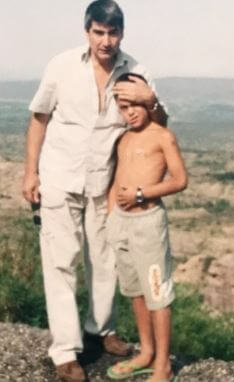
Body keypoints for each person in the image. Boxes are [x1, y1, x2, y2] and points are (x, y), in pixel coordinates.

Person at [22, 1, 168, 381]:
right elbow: (39, 120)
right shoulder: (62, 65)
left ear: (122, 32)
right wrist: (30, 174)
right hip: (59, 177)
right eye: (99, 32)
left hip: (105, 182)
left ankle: (101, 330)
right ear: (87, 31)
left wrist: (150, 101)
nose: (106, 41)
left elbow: (160, 125)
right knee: (61, 263)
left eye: (113, 32)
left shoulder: (137, 72)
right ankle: (66, 352)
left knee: (105, 261)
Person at [106, 73, 187, 382]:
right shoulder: (124, 138)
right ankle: (146, 352)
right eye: (124, 107)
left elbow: (180, 180)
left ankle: (163, 365)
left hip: (148, 224)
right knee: (135, 291)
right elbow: (117, 179)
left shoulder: (162, 136)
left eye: (137, 104)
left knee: (157, 294)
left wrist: (141, 194)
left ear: (147, 100)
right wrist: (112, 215)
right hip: (122, 225)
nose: (132, 112)